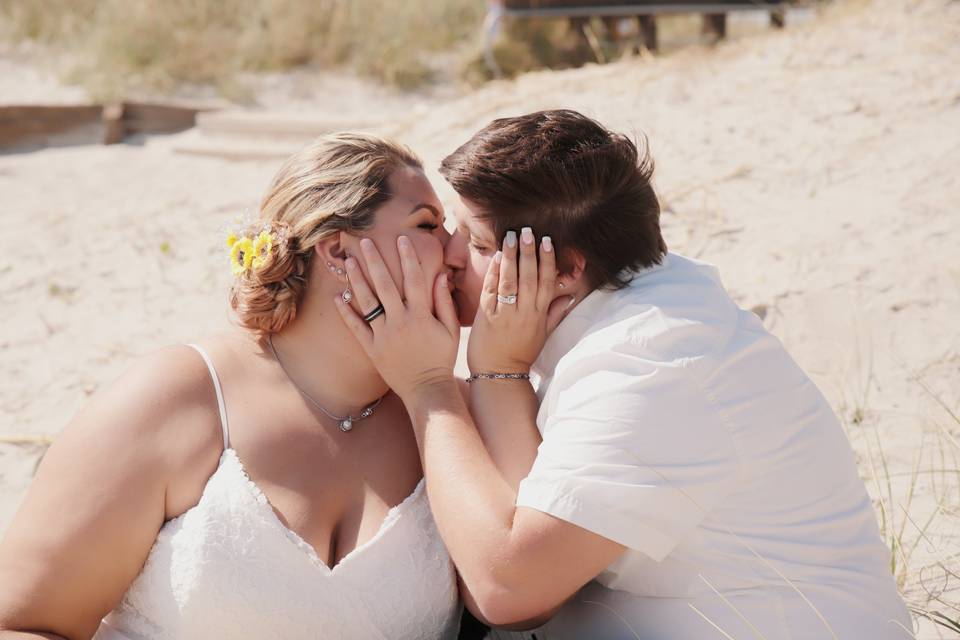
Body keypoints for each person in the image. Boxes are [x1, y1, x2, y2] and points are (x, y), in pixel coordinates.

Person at [335, 109, 913, 639]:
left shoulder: (653, 361)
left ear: (564, 269)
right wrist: (499, 373)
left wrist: (428, 388)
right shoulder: (626, 307)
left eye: (479, 242)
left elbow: (508, 590)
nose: (452, 254)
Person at [0, 133, 462, 640]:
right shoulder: (177, 397)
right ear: (338, 250)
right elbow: (22, 623)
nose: (456, 248)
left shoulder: (446, 414)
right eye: (428, 225)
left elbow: (520, 597)